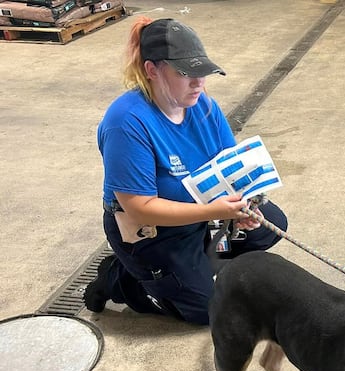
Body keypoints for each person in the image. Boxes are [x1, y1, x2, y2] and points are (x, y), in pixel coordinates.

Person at [83, 17, 288, 325]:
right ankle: (122, 278)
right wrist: (211, 212)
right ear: (152, 70)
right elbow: (139, 209)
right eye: (185, 73)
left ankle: (191, 271)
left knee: (270, 223)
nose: (199, 82)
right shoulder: (126, 122)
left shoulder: (203, 105)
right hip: (151, 231)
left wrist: (244, 206)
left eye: (202, 72)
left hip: (199, 210)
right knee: (208, 310)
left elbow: (230, 168)